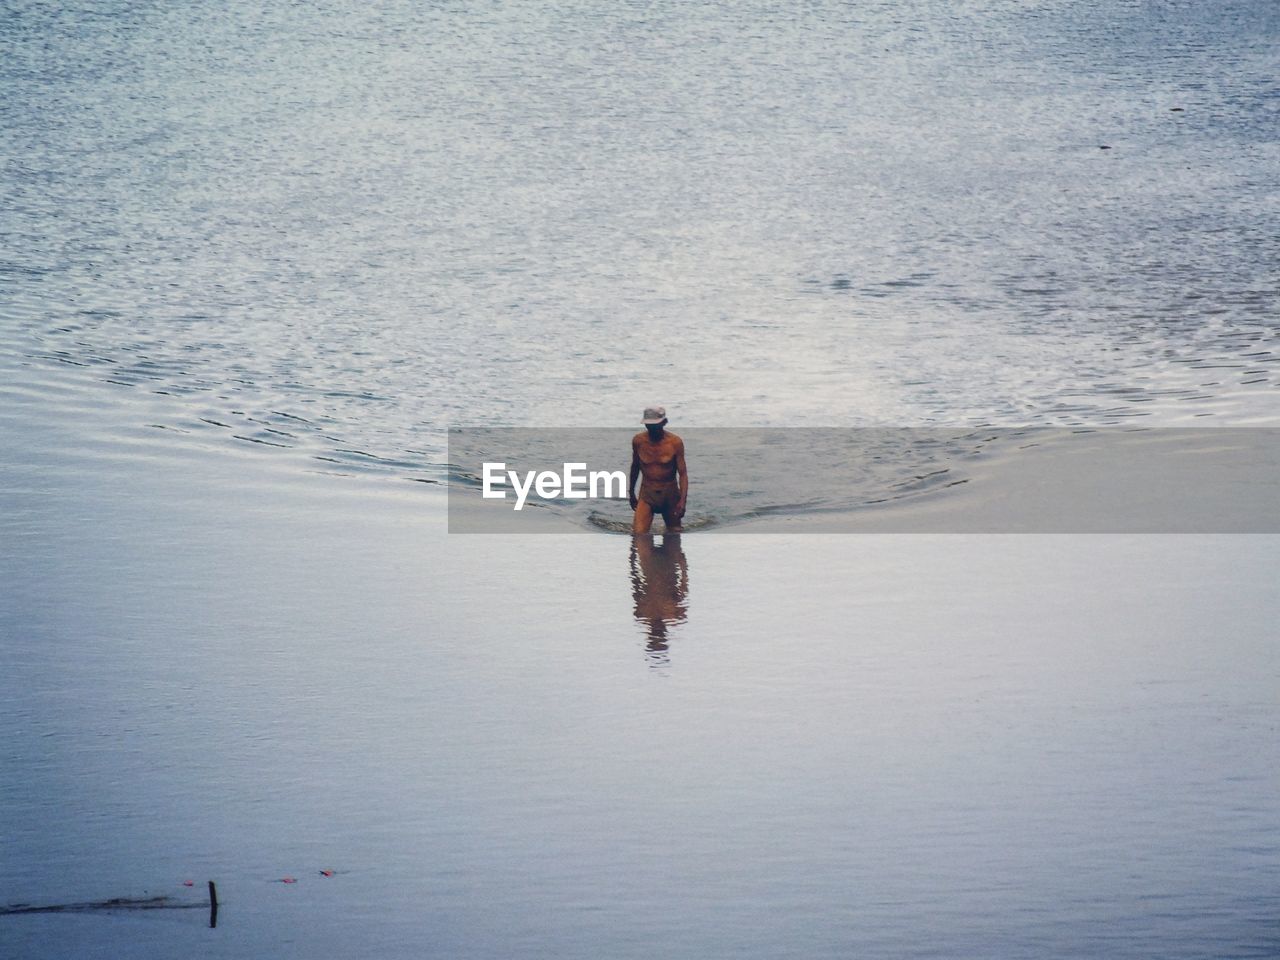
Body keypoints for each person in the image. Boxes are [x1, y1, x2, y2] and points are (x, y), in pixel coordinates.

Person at [628, 405, 688, 533]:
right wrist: (631, 492)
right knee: (638, 535)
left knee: (675, 535)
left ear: (664, 422)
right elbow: (635, 467)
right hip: (647, 494)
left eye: (655, 425)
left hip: (670, 494)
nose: (651, 428)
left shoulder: (675, 443)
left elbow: (682, 474)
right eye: (648, 425)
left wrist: (682, 501)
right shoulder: (638, 441)